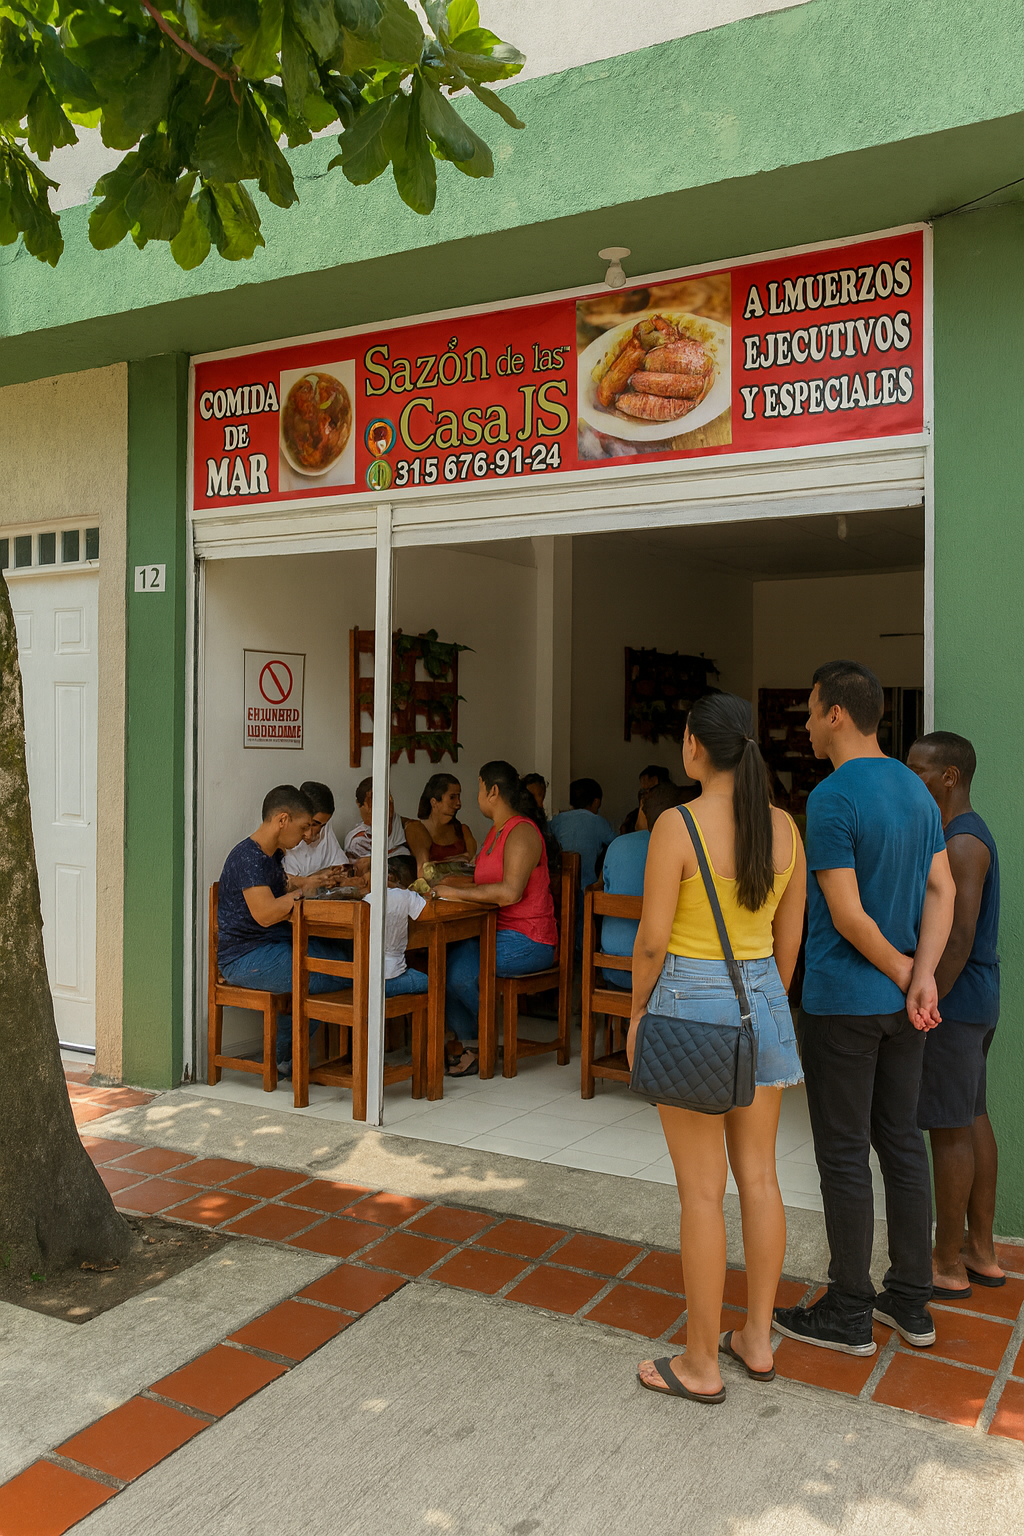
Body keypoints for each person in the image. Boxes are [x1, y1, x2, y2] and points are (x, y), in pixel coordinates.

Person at [773, 661, 956, 1358]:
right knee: (902, 1145)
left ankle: (849, 1309)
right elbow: (942, 892)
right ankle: (910, 1302)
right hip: (902, 1008)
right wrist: (922, 978)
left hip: (845, 1004)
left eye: (813, 712)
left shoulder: (831, 796)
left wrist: (909, 972)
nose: (809, 725)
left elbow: (846, 914)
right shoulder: (915, 790)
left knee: (845, 1155)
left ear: (838, 715)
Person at [628, 692, 806, 1404]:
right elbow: (789, 942)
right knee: (759, 1178)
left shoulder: (677, 823)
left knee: (701, 1194)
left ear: (695, 747)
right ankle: (756, 1339)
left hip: (690, 1003)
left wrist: (638, 1009)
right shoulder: (787, 827)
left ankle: (701, 1363)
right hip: (761, 996)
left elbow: (650, 940)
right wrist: (763, 1002)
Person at [907, 731, 1003, 1296]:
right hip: (976, 1001)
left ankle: (945, 1262)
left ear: (950, 777)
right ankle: (981, 1250)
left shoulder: (964, 842)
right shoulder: (962, 834)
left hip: (957, 1001)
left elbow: (959, 935)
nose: (910, 777)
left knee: (948, 1129)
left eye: (919, 770)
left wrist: (927, 1002)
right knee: (970, 1117)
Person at [216, 785, 352, 1078]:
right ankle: (283, 1056)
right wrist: (300, 895)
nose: (307, 835)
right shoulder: (248, 858)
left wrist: (310, 882)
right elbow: (265, 914)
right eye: (303, 827)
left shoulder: (270, 855)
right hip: (245, 958)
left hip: (273, 947)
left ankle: (288, 1056)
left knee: (342, 959)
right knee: (331, 972)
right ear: (282, 820)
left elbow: (284, 885)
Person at [434, 761, 557, 1077]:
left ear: (493, 791)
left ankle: (481, 1045)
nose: (477, 796)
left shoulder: (522, 832)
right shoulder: (494, 833)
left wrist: (456, 894)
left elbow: (509, 893)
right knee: (442, 964)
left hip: (528, 939)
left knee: (461, 973)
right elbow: (478, 882)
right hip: (493, 932)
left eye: (478, 788)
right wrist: (439, 887)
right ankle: (470, 1043)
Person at [600, 782, 685, 988]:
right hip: (663, 977)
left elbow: (604, 884)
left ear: (646, 813)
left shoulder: (618, 845)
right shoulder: (684, 847)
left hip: (613, 966)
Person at [364, 854, 430, 996]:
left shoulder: (365, 899)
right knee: (432, 981)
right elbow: (429, 913)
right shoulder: (405, 896)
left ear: (390, 877)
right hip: (390, 978)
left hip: (361, 978)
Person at [404, 773, 478, 876]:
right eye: (452, 797)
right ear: (434, 802)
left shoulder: (463, 830)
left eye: (459, 797)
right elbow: (423, 869)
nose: (458, 803)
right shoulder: (417, 830)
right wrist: (458, 860)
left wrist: (438, 864)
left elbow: (472, 862)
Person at [549, 778, 615, 891]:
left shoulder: (557, 820)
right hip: (587, 888)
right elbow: (616, 843)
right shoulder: (598, 822)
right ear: (596, 802)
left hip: (560, 887)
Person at [281, 780, 348, 891]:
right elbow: (284, 886)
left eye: (322, 826)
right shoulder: (287, 839)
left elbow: (342, 870)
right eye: (312, 824)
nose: (315, 833)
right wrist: (318, 877)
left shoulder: (324, 829)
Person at [343, 777, 410, 863]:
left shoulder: (405, 828)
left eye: (387, 800)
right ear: (359, 804)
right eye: (373, 803)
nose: (384, 807)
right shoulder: (359, 842)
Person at [621, 764, 674, 834]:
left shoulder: (674, 814)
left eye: (649, 790)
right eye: (643, 791)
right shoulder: (633, 817)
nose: (645, 795)